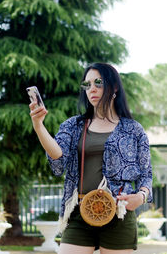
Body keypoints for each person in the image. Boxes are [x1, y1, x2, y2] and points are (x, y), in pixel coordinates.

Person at [29, 62, 152, 254]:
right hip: (79, 211)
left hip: (118, 212)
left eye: (98, 83)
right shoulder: (74, 125)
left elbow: (146, 173)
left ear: (115, 87)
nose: (91, 89)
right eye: (87, 85)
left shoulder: (133, 129)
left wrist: (141, 196)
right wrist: (39, 126)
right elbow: (58, 156)